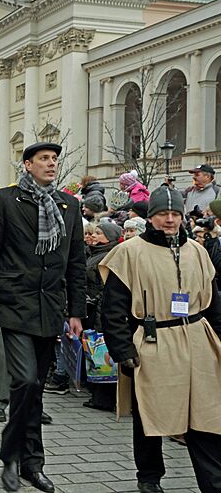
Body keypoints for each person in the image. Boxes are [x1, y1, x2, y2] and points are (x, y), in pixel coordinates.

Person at [0, 142, 85, 493]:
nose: (51, 164)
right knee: (24, 381)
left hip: (49, 308)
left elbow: (76, 263)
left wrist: (76, 311)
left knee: (36, 390)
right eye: (44, 159)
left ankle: (32, 464)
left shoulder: (68, 205)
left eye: (55, 159)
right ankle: (10, 455)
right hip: (13, 305)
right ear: (28, 165)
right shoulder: (6, 200)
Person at [100, 186, 221, 493]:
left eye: (175, 214)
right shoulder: (129, 253)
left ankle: (213, 481)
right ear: (151, 217)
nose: (169, 220)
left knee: (206, 415)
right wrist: (122, 348)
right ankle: (149, 476)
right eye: (162, 214)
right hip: (154, 341)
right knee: (151, 414)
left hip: (197, 339)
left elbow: (214, 303)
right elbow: (113, 308)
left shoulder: (198, 252)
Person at [82, 221, 122, 412]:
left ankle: (103, 398)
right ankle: (97, 393)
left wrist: (94, 298)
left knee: (102, 350)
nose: (95, 236)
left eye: (99, 233)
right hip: (91, 306)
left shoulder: (110, 255)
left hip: (100, 307)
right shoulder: (94, 253)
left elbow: (106, 285)